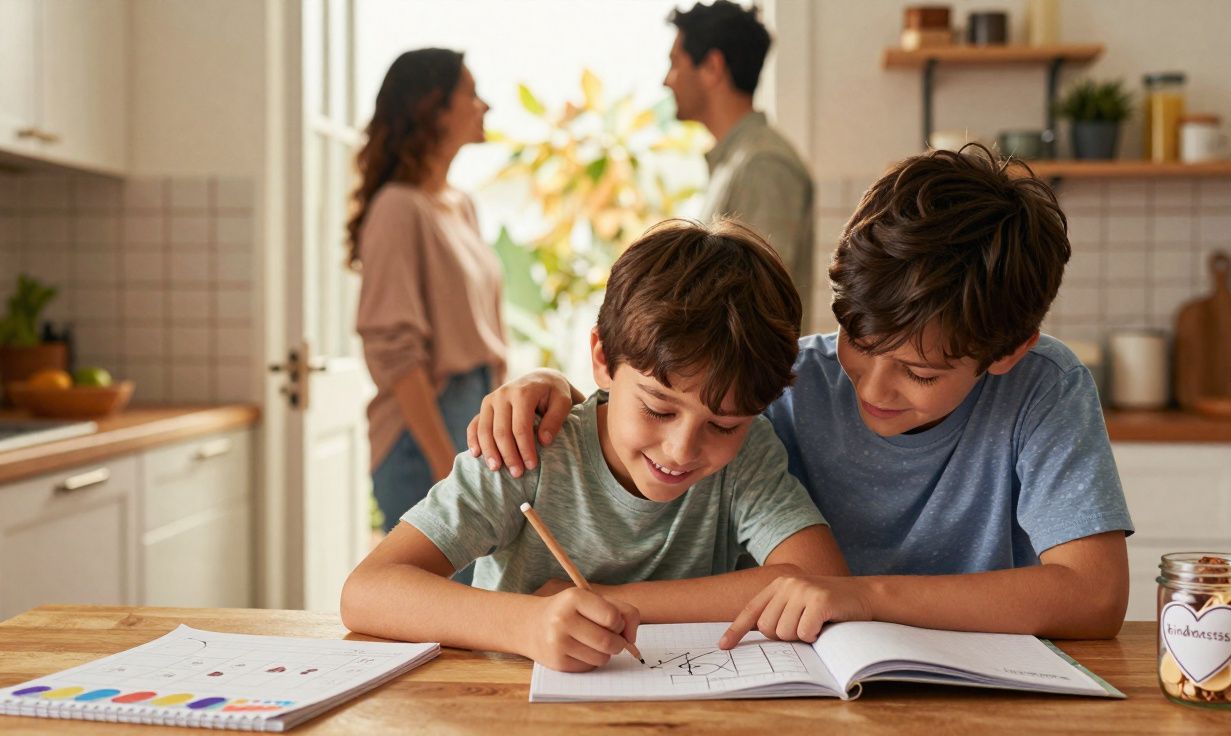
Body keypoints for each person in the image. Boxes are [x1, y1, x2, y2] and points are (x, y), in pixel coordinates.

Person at [465, 147, 1136, 647]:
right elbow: (666, 400)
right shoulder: (793, 379)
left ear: (1008, 350)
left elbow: (1094, 594)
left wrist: (858, 596)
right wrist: (555, 387)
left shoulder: (1044, 387)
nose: (872, 386)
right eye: (856, 340)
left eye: (920, 374)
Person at [341, 219, 849, 672]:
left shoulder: (748, 453)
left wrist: (612, 600)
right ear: (603, 359)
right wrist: (526, 624)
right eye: (658, 409)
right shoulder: (528, 446)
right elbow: (367, 592)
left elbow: (820, 580)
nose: (681, 449)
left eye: (723, 425)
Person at [347, 48, 508, 571]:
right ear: (434, 109)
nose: (484, 105)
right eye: (470, 93)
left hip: (471, 418)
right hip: (424, 435)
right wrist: (446, 463)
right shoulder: (397, 208)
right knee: (447, 607)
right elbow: (398, 356)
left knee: (482, 594)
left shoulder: (460, 205)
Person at [665, 1, 815, 325]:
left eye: (675, 64)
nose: (667, 80)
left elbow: (757, 307)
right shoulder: (737, 162)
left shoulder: (764, 164)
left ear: (713, 67)